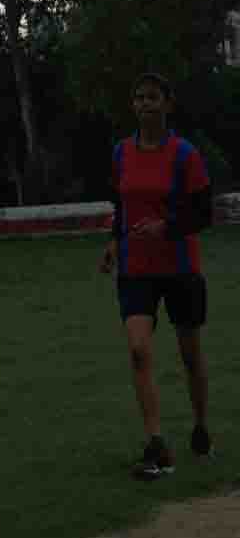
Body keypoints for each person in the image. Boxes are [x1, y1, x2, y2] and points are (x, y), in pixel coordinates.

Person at [100, 72, 213, 480]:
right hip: (136, 270)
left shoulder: (186, 155)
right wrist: (114, 244)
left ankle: (201, 426)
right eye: (139, 98)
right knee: (138, 351)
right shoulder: (120, 154)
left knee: (189, 354)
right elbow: (120, 206)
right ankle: (155, 442)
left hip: (181, 268)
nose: (145, 104)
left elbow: (205, 214)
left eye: (153, 98)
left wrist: (166, 228)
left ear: (168, 104)